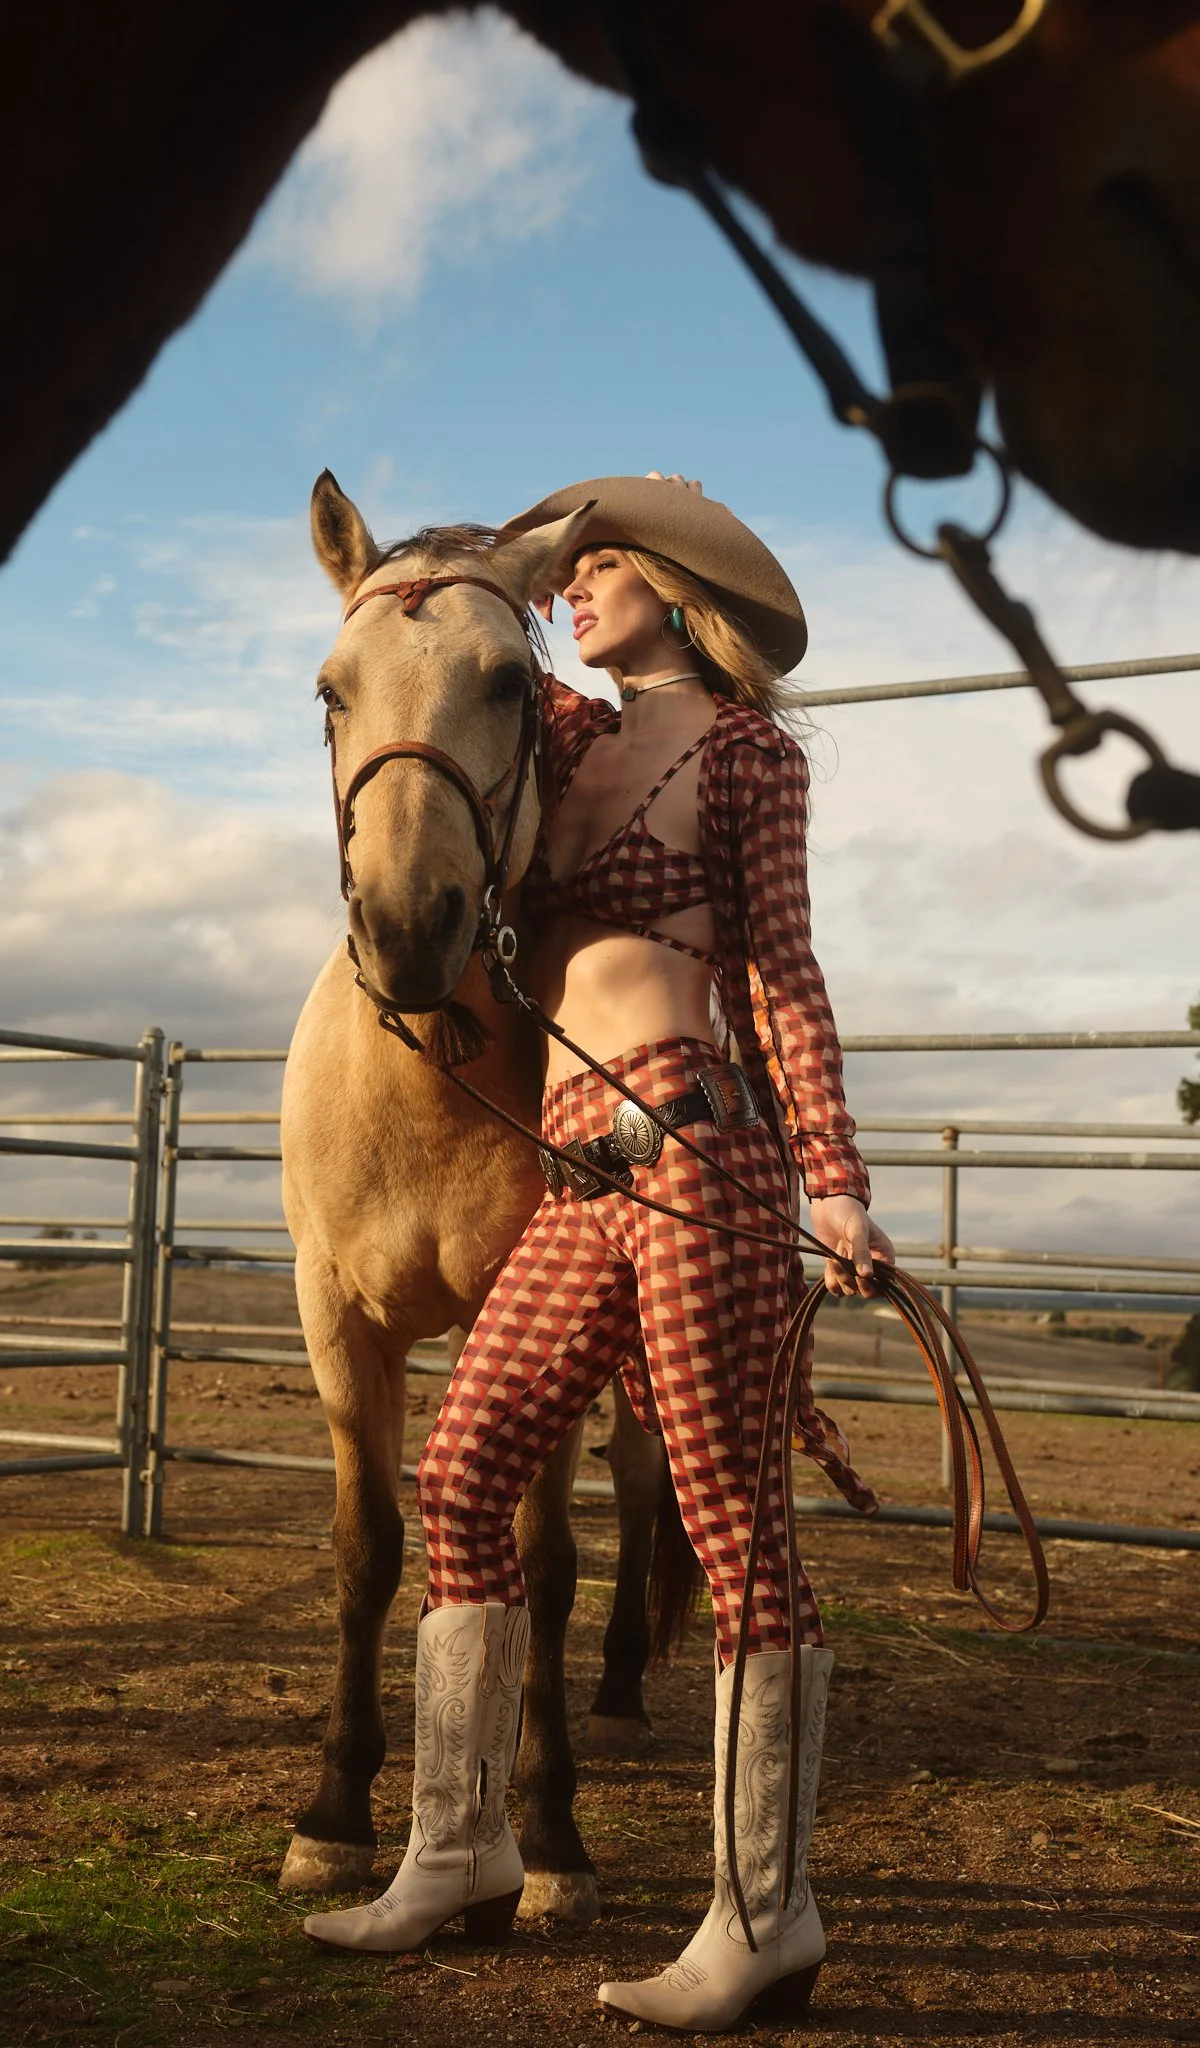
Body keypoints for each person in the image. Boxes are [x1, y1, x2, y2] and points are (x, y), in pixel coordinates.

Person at [304, 473, 893, 2032]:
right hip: (577, 1171)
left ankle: (766, 1919)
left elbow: (787, 975)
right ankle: (463, 1844)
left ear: (680, 596)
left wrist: (831, 1183)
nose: (577, 588)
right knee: (463, 1465)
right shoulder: (556, 738)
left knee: (733, 1523)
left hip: (699, 1148)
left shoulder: (749, 756)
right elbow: (449, 682)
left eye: (605, 565)